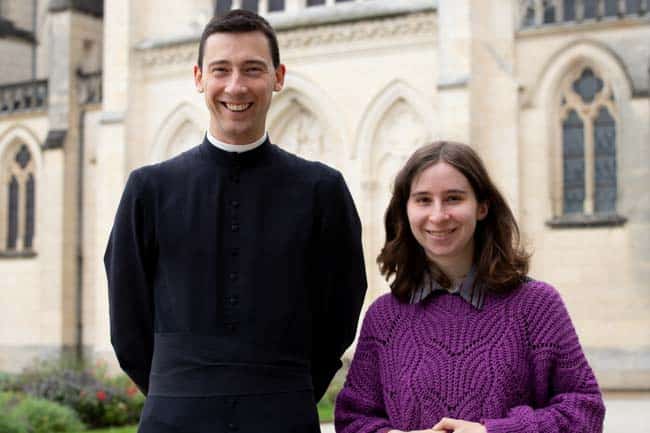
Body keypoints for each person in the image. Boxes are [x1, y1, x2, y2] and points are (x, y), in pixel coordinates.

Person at [105, 9, 367, 433]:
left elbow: (340, 310)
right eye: (220, 70)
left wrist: (289, 385)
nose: (235, 86)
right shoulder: (148, 190)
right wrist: (176, 387)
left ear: (278, 77)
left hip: (284, 414)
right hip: (174, 418)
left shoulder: (322, 190)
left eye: (252, 70)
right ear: (198, 78)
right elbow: (127, 322)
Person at [335, 141, 605, 433]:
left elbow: (584, 411)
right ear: (406, 210)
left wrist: (493, 432)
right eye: (423, 200)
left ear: (482, 207)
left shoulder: (536, 306)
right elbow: (352, 420)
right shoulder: (384, 317)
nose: (437, 215)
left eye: (453, 198)